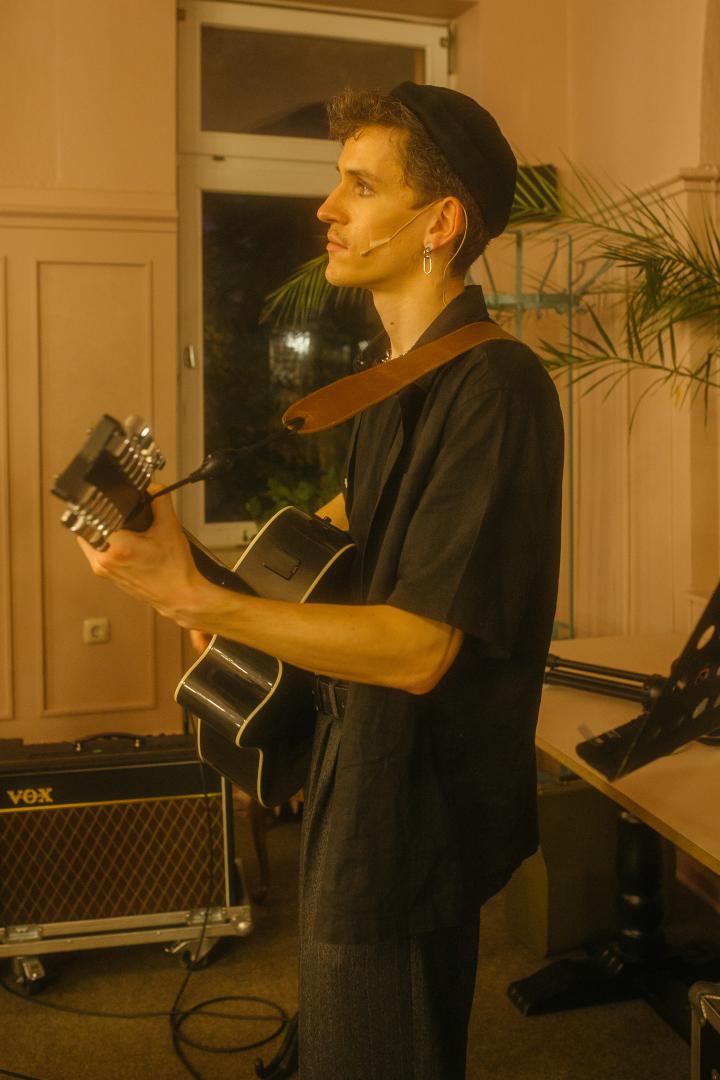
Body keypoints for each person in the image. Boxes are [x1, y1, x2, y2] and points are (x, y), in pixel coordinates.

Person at [79, 83, 564, 1080]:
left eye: (359, 185)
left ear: (440, 222)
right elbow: (339, 581)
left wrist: (193, 599)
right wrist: (181, 560)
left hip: (411, 814)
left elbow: (421, 648)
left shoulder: (495, 391)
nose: (324, 210)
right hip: (357, 776)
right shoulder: (397, 387)